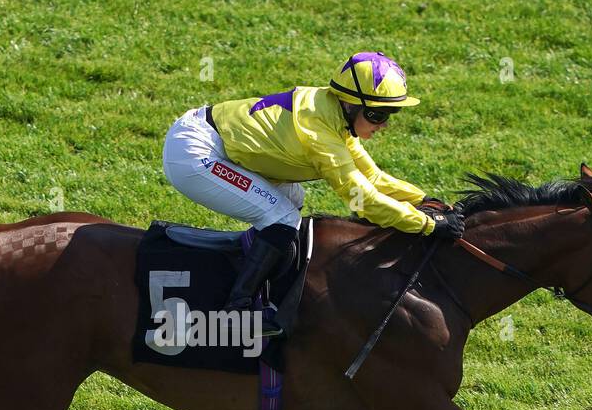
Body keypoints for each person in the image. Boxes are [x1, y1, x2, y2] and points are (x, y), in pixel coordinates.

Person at [162, 51, 464, 336]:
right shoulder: (320, 131)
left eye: (390, 114)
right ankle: (235, 312)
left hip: (219, 143)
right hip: (195, 153)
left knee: (292, 204)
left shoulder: (333, 115)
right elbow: (364, 201)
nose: (383, 124)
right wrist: (427, 225)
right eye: (377, 114)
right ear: (350, 104)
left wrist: (422, 200)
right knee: (281, 217)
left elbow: (373, 177)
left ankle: (254, 284)